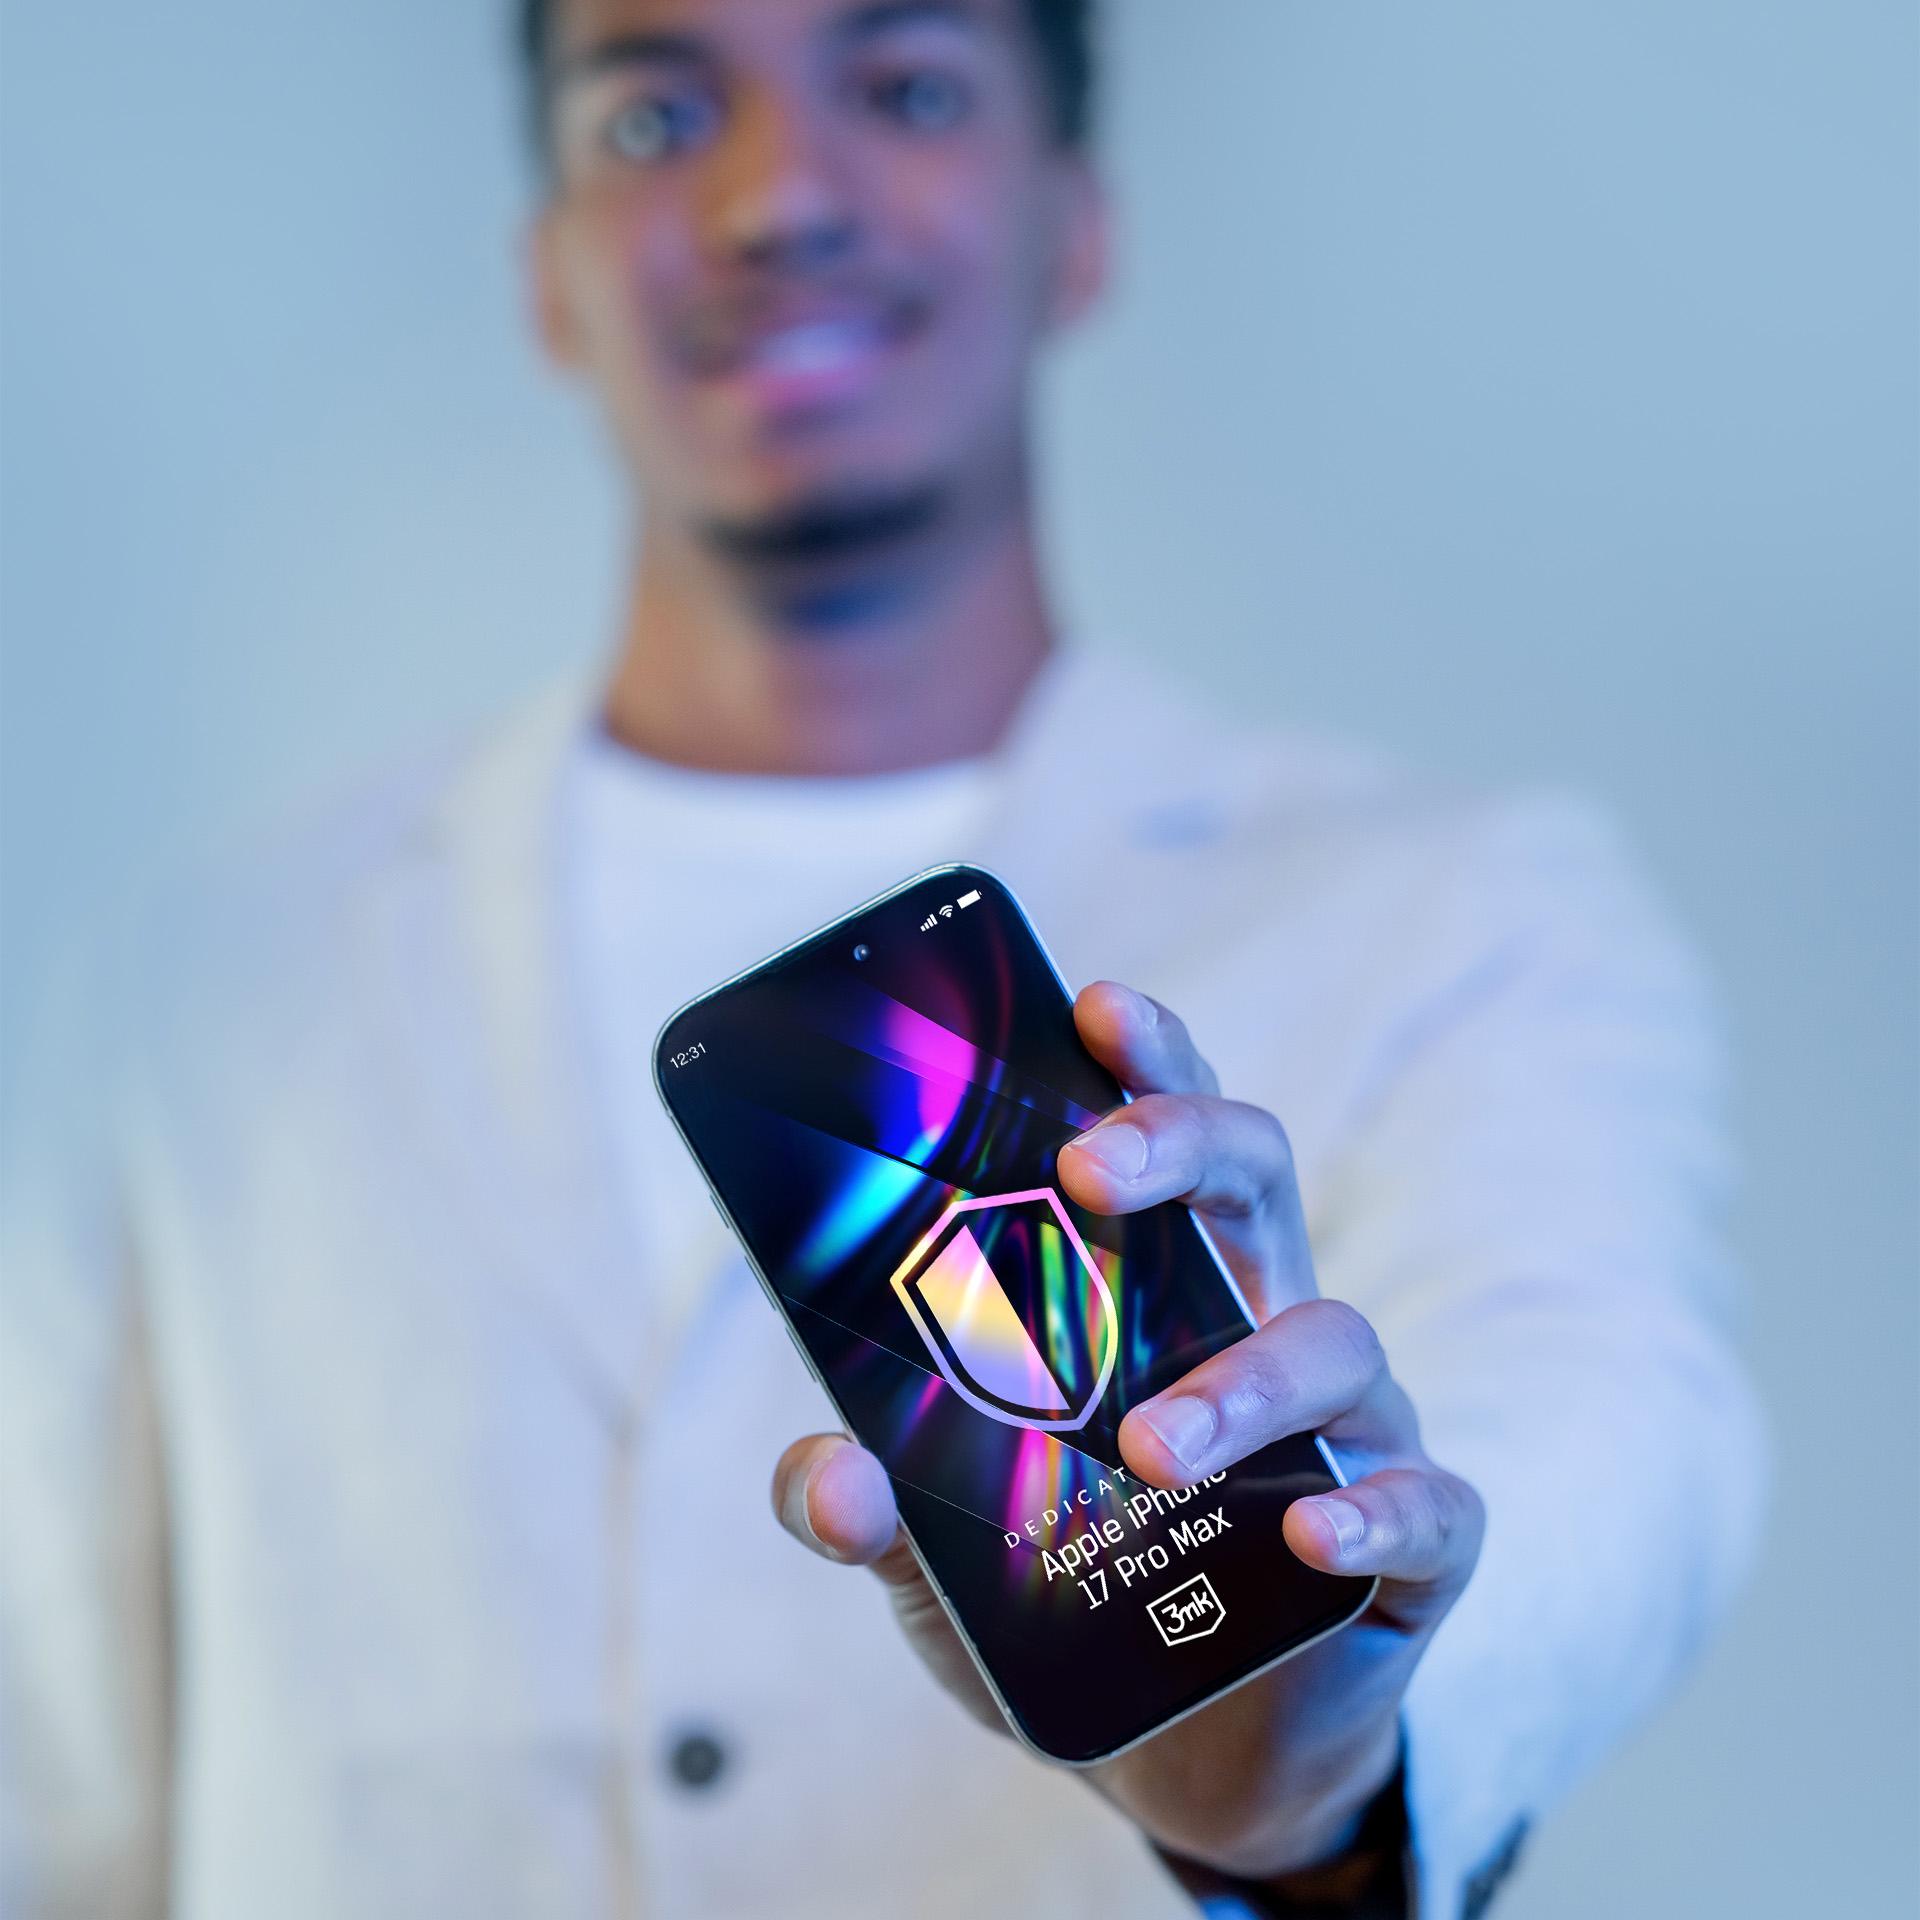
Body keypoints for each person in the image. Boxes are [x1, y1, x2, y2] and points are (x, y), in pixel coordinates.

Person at [0, 2, 1766, 1915]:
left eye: (907, 88)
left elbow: (1615, 1430)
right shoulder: (184, 987)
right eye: (656, 114)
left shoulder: (1462, 912)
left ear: (1075, 225)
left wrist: (1323, 1770)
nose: (780, 200)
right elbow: (52, 1788)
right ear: (549, 276)